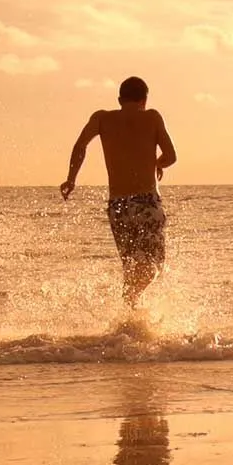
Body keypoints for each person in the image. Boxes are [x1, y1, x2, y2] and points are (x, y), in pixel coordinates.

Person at [59, 75, 178, 310]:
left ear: (119, 99)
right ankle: (131, 302)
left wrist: (71, 179)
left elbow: (80, 145)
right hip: (146, 203)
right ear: (144, 99)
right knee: (154, 265)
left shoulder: (102, 119)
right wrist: (157, 165)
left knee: (130, 265)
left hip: (118, 206)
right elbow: (171, 156)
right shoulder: (152, 117)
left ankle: (128, 317)